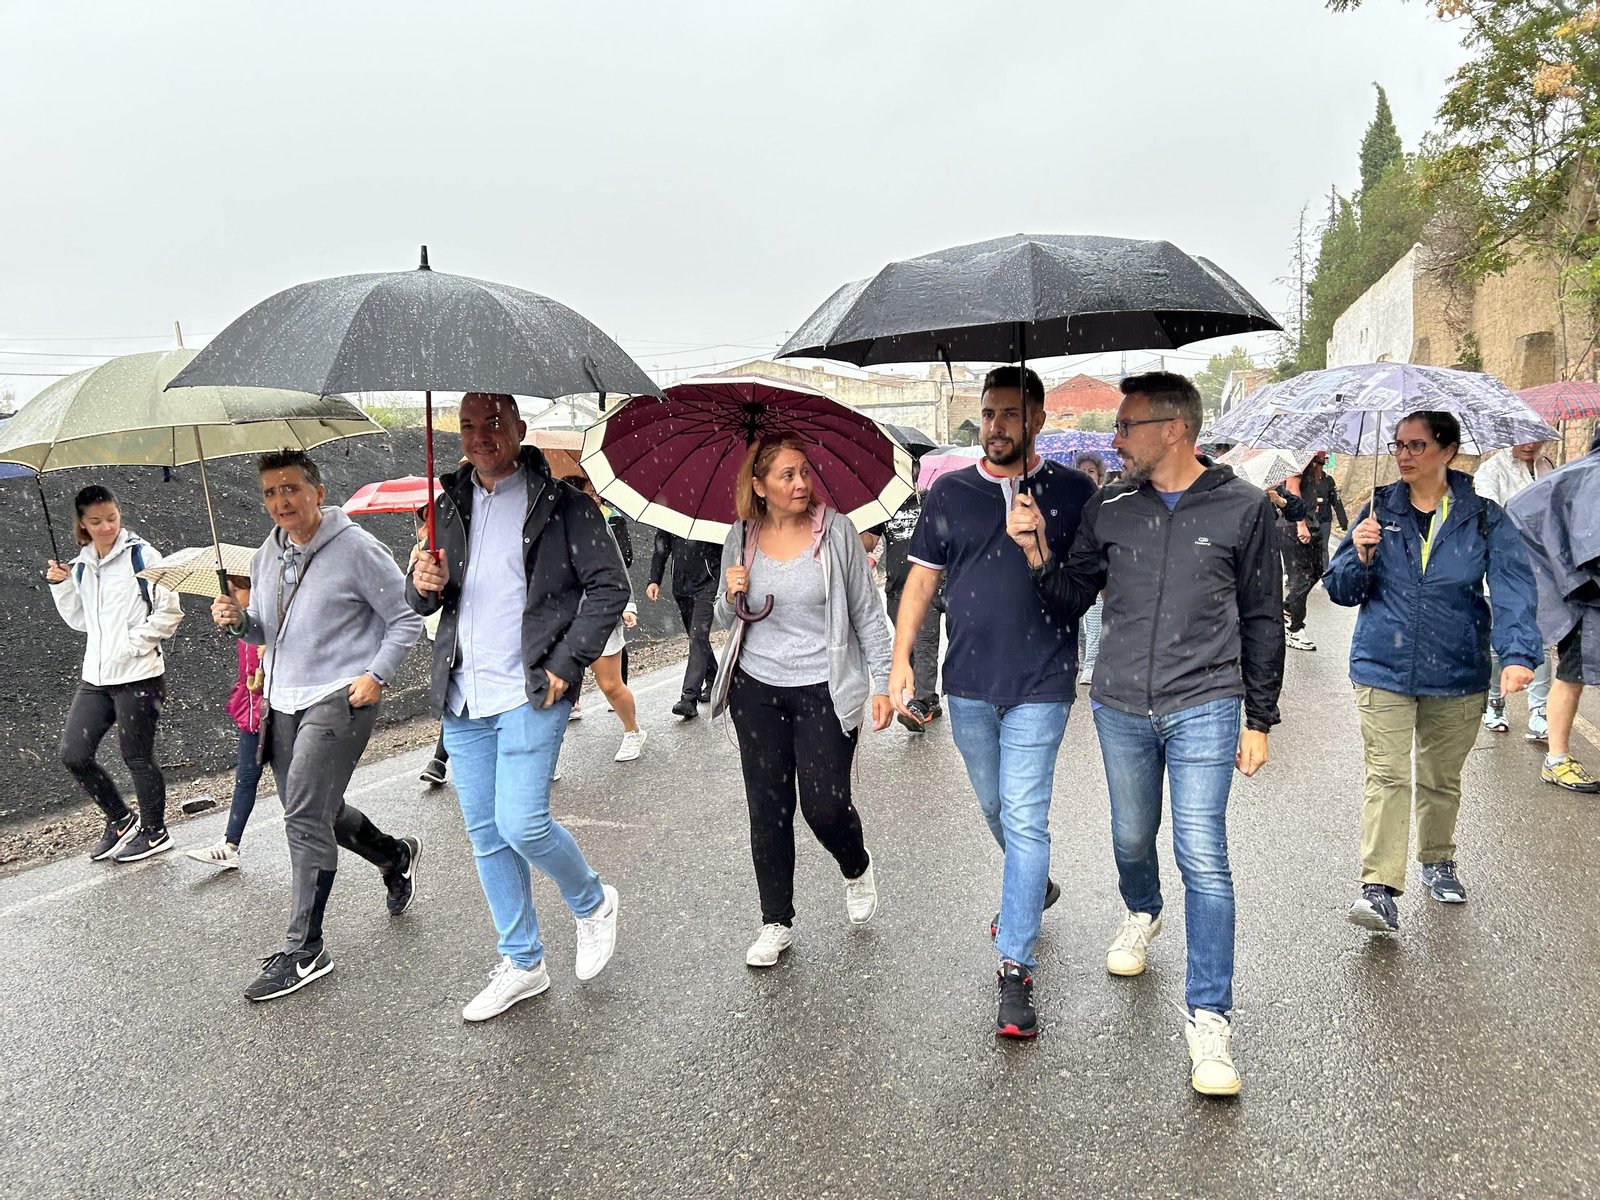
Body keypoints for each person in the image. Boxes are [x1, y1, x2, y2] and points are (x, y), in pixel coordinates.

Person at [1010, 372, 1283, 1097]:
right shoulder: (1111, 506)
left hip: (1207, 700)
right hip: (1122, 702)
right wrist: (1038, 552)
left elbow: (1262, 617)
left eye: (1127, 426)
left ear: (1173, 429)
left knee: (1204, 853)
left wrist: (1260, 716)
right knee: (1133, 837)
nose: (1116, 439)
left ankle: (1210, 1018)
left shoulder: (1244, 508)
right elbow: (1072, 597)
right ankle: (1142, 910)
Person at [890, 366, 1096, 1040]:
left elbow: (1081, 593)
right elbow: (920, 583)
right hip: (969, 682)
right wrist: (899, 664)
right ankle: (1031, 888)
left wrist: (1037, 542)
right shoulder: (949, 492)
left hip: (1043, 680)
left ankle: (1016, 966)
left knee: (1026, 819)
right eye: (989, 412)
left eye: (1011, 414)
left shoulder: (1071, 493)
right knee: (993, 806)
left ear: (1037, 418)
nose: (997, 426)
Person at [409, 393, 628, 1023]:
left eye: (493, 424)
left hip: (531, 688)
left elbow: (608, 586)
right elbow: (427, 599)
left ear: (518, 429)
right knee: (485, 835)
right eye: (469, 426)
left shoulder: (565, 504)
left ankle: (592, 902)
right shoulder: (444, 503)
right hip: (463, 692)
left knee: (522, 822)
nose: (481, 437)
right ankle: (523, 961)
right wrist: (418, 584)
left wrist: (567, 662)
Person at [212, 450, 425, 1002]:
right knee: (319, 813)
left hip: (341, 695)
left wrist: (377, 675)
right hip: (284, 700)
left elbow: (404, 617)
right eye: (269, 492)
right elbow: (265, 632)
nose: (280, 501)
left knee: (303, 813)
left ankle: (306, 948)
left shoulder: (356, 549)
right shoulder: (264, 557)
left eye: (289, 488)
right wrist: (240, 623)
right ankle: (393, 855)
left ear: (317, 491)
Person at [1325, 412, 1542, 935]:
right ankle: (1378, 889)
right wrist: (1358, 555)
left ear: (1447, 451)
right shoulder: (1376, 511)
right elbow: (1340, 590)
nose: (1403, 454)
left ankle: (1438, 859)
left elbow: (1513, 588)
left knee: (1441, 779)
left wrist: (1517, 654)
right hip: (1382, 666)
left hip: (1459, 669)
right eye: (1398, 444)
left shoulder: (1484, 517)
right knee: (1388, 775)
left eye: (1416, 445)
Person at [714, 433, 893, 968]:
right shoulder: (740, 537)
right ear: (759, 485)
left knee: (825, 804)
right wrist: (729, 594)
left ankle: (855, 863)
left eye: (803, 472)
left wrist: (883, 685)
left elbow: (867, 613)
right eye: (786, 475)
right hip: (757, 689)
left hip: (824, 686)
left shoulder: (836, 533)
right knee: (768, 807)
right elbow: (723, 621)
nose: (799, 483)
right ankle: (776, 920)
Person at [48, 485, 183, 862]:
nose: (106, 527)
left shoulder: (144, 556)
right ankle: (121, 820)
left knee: (137, 757)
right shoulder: (83, 565)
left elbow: (169, 613)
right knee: (74, 754)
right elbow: (80, 620)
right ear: (82, 524)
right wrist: (61, 585)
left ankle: (156, 832)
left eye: (112, 518)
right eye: (96, 522)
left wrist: (130, 644)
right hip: (97, 677)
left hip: (139, 674)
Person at [1506, 431, 1600, 794]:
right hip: (1579, 592)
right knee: (1572, 674)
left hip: (1577, 584)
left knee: (1572, 673)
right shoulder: (1592, 475)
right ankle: (1557, 758)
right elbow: (1590, 541)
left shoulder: (1574, 470)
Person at [560, 471, 648, 762]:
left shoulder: (600, 525)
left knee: (610, 684)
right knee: (556, 690)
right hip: (561, 619)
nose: (596, 498)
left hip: (599, 614)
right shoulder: (546, 529)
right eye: (590, 493)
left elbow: (618, 568)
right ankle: (547, 755)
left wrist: (628, 604)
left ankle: (633, 731)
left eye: (594, 494)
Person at [1473, 441, 1556, 741]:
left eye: (1536, 437)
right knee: (1499, 640)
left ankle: (1539, 712)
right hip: (1503, 570)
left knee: (1542, 638)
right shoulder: (1491, 470)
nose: (1531, 444)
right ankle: (1496, 702)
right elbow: (1489, 518)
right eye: (1524, 437)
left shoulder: (1546, 466)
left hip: (1541, 569)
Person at [186, 576, 266, 869]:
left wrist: (272, 650)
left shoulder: (273, 617)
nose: (231, 595)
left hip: (281, 711)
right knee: (245, 778)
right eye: (228, 590)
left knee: (299, 789)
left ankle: (326, 835)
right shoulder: (244, 623)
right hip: (252, 710)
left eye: (236, 590)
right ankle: (231, 844)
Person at [875, 485, 944, 731]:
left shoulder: (929, 500)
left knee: (924, 644)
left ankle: (920, 704)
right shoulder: (883, 503)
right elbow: (867, 542)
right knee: (910, 649)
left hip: (925, 589)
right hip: (896, 590)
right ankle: (931, 702)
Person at [648, 528, 721, 718]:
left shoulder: (710, 512)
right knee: (697, 638)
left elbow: (725, 547)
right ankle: (714, 679)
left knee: (698, 636)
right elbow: (661, 548)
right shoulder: (671, 514)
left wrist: (720, 576)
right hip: (680, 587)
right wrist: (654, 580)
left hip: (709, 583)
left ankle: (689, 697)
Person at [411, 507, 451, 786]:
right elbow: (415, 598)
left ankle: (438, 760)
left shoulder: (454, 542)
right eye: (423, 520)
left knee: (454, 696)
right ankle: (439, 760)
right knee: (454, 698)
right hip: (435, 632)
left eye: (430, 518)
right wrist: (417, 567)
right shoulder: (420, 549)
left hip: (459, 631)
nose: (426, 525)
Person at [1274, 468, 1320, 652]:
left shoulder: (1317, 463)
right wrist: (1300, 523)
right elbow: (1293, 487)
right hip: (1294, 525)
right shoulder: (1304, 459)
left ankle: (1286, 608)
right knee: (1300, 577)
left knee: (1318, 571)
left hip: (1312, 522)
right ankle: (1295, 629)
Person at [1072, 452, 1107, 686]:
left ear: (1100, 476)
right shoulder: (1070, 499)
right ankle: (1084, 659)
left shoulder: (1106, 500)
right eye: (1082, 471)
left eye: (1091, 471)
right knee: (1079, 622)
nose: (1086, 475)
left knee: (1094, 617)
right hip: (1075, 569)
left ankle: (1092, 664)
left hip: (1098, 568)